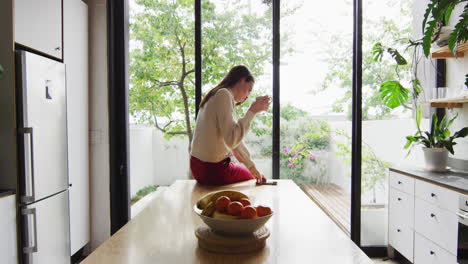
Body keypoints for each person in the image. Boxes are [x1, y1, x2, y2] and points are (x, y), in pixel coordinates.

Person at [190, 65, 270, 185]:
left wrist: (252, 167)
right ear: (242, 80)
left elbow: (235, 143)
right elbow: (232, 140)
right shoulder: (224, 94)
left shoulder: (218, 94)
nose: (248, 96)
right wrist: (252, 111)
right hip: (211, 169)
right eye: (249, 89)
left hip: (200, 166)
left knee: (250, 174)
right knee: (251, 180)